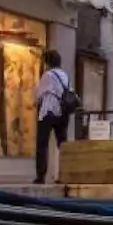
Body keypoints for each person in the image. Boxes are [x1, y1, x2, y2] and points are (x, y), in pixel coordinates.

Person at [34, 49, 71, 184]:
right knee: (62, 144)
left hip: (48, 111)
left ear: (47, 62)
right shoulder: (65, 75)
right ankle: (64, 175)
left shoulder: (48, 75)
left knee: (42, 144)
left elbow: (39, 94)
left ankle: (41, 175)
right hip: (62, 112)